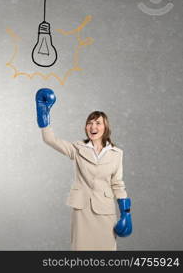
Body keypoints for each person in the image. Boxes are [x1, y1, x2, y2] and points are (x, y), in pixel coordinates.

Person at [35, 88, 132, 251]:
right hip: (82, 210)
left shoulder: (117, 154)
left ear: (105, 127)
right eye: (90, 123)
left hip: (105, 211)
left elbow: (117, 184)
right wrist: (43, 115)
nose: (93, 126)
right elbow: (50, 140)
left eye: (98, 123)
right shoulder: (77, 148)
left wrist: (126, 213)